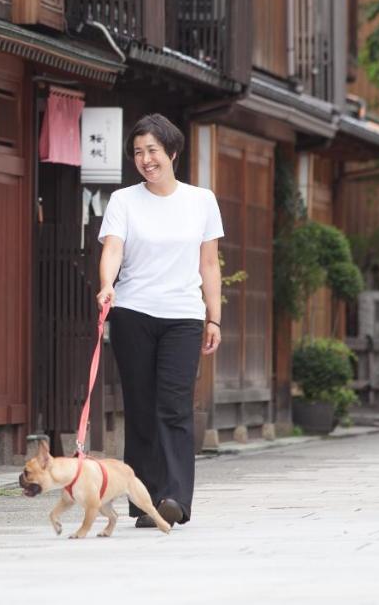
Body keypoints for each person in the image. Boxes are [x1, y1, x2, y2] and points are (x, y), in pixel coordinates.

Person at [95, 113, 223, 529]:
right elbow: (113, 249)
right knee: (141, 407)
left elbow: (209, 264)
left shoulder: (201, 200)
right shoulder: (124, 201)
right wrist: (106, 285)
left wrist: (213, 317)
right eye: (137, 152)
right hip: (133, 312)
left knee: (174, 406)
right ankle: (146, 502)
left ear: (172, 151)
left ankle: (175, 499)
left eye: (152, 150)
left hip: (183, 316)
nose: (145, 159)